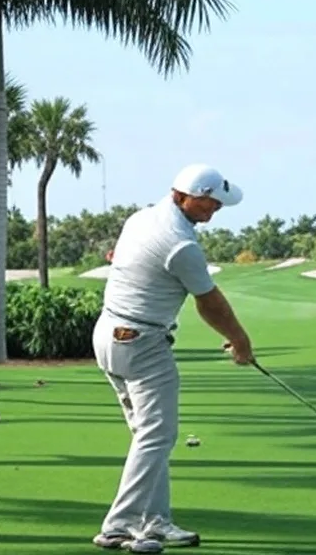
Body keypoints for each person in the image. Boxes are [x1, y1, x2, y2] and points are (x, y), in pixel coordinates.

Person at [91, 163, 255, 553]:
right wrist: (240, 341)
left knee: (150, 437)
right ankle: (119, 526)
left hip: (109, 336)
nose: (214, 210)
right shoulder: (180, 244)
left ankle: (155, 520)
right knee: (156, 435)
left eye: (218, 204)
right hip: (142, 345)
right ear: (182, 196)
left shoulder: (141, 218)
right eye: (209, 203)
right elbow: (210, 302)